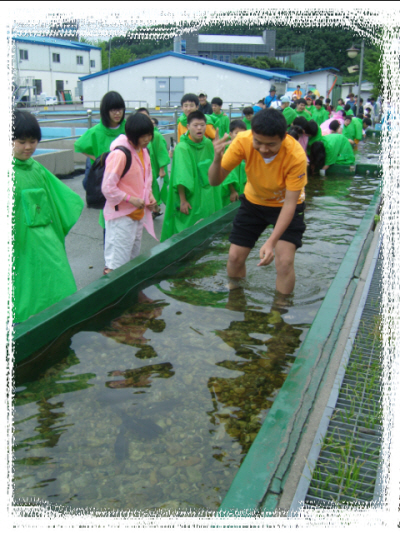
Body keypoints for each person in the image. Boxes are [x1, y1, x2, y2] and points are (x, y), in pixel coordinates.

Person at [208, 107, 308, 295]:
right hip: (254, 202)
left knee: (284, 262)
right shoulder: (242, 141)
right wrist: (216, 159)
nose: (263, 149)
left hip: (284, 205)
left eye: (271, 144)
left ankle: (279, 311)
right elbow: (215, 181)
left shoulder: (296, 155)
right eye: (258, 142)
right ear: (252, 133)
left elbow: (290, 204)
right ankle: (236, 297)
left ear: (284, 137)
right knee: (235, 257)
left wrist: (271, 241)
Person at [12, 110, 84, 323]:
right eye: (21, 141)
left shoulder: (36, 168)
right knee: (20, 293)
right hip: (17, 247)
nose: (28, 147)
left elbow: (59, 200)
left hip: (45, 242)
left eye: (33, 141)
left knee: (59, 286)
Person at [101, 112, 158, 275]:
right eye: (143, 136)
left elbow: (146, 180)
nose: (147, 139)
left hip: (137, 214)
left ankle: (127, 295)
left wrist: (150, 197)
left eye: (149, 135)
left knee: (131, 260)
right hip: (121, 217)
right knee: (116, 263)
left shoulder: (143, 151)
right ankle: (111, 296)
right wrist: (130, 199)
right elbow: (107, 187)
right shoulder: (120, 155)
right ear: (133, 136)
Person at [161, 111, 222, 242]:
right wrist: (183, 201)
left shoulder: (208, 144)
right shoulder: (183, 147)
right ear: (188, 127)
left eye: (202, 125)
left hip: (207, 196)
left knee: (208, 234)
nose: (199, 128)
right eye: (195, 125)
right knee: (188, 234)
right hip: (190, 198)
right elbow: (181, 177)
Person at [75, 91, 126, 190]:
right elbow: (79, 145)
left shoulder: (128, 127)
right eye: (113, 110)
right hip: (105, 175)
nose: (118, 113)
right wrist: (97, 159)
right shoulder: (95, 132)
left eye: (120, 109)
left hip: (125, 175)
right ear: (105, 111)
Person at [136, 108, 170, 217]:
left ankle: (161, 209)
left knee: (159, 191)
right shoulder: (137, 136)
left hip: (155, 170)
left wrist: (161, 169)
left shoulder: (156, 135)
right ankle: (154, 209)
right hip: (143, 172)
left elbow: (161, 153)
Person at [220, 120, 248, 206]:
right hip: (231, 191)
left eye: (243, 133)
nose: (240, 136)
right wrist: (232, 190)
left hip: (243, 189)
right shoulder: (227, 150)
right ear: (230, 134)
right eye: (237, 133)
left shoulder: (246, 149)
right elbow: (228, 174)